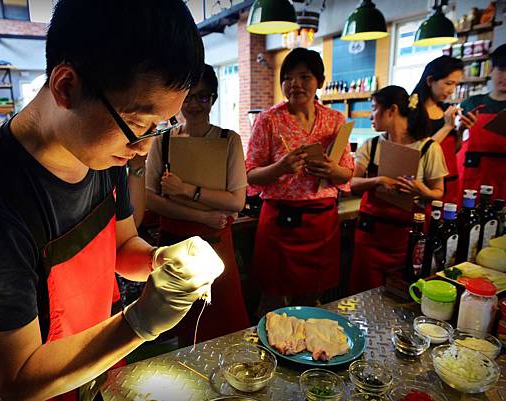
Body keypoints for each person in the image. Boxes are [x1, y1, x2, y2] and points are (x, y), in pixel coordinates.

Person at [0, 1, 224, 400]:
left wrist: (160, 260)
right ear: (67, 87)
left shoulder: (101, 151)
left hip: (99, 368)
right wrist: (139, 323)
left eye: (160, 126)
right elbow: (16, 379)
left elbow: (121, 246)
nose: (144, 148)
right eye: (138, 124)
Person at [145, 64, 250, 345]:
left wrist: (184, 190)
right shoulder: (163, 141)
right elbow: (151, 199)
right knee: (178, 323)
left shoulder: (229, 140)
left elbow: (236, 201)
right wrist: (202, 215)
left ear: (213, 99)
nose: (194, 104)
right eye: (188, 97)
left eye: (202, 97)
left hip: (217, 244)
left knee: (223, 322)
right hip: (174, 243)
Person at [245, 48, 354, 314]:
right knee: (271, 304)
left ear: (319, 81)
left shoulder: (335, 120)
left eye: (304, 76)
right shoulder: (268, 119)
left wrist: (330, 168)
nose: (295, 84)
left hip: (321, 222)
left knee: (313, 304)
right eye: (288, 78)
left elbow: (348, 173)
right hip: (279, 224)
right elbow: (249, 174)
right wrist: (280, 167)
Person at [349, 86, 448, 294]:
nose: (370, 116)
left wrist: (422, 190)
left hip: (406, 237)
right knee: (362, 293)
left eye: (374, 108)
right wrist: (378, 180)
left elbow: (439, 192)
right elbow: (352, 182)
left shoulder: (429, 148)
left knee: (400, 296)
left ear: (392, 110)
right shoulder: (372, 145)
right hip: (370, 235)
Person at [412, 56, 478, 204]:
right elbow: (418, 152)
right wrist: (447, 127)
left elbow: (451, 150)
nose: (452, 90)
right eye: (448, 83)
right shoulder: (412, 110)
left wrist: (461, 130)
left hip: (450, 180)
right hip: (426, 186)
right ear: (430, 81)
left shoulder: (444, 109)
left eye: (455, 84)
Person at [459, 44, 506, 199]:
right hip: (473, 175)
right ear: (491, 70)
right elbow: (456, 144)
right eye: (502, 70)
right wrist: (460, 129)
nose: (505, 77)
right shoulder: (471, 104)